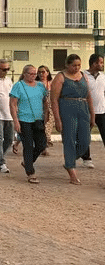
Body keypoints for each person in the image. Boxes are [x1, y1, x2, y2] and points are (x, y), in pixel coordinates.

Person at [51, 54, 95, 185]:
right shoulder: (60, 77)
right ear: (67, 65)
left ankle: (69, 159)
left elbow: (89, 96)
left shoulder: (83, 76)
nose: (76, 68)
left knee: (85, 140)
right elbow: (53, 100)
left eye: (79, 65)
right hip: (67, 108)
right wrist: (57, 119)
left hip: (83, 108)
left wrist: (92, 115)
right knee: (69, 140)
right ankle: (71, 170)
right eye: (74, 65)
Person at [10, 65, 49, 184]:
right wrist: (15, 121)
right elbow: (13, 104)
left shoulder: (41, 86)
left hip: (38, 119)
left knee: (42, 144)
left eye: (35, 74)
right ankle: (30, 172)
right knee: (28, 146)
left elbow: (45, 101)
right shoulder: (18, 86)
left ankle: (27, 162)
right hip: (24, 119)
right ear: (24, 74)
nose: (33, 76)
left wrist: (46, 115)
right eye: (31, 74)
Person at [81, 54, 105, 167]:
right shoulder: (82, 76)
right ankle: (86, 158)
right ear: (94, 63)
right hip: (87, 111)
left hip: (102, 111)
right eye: (100, 62)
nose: (102, 64)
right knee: (85, 136)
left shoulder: (103, 76)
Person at [34, 65, 55, 156]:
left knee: (47, 128)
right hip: (38, 108)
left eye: (43, 72)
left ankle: (44, 147)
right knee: (39, 128)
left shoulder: (52, 83)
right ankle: (41, 147)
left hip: (50, 109)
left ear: (48, 72)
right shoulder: (35, 83)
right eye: (39, 72)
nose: (41, 74)